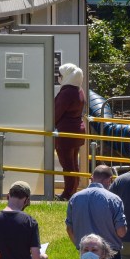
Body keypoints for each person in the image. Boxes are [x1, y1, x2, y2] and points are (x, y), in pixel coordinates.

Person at [65, 165, 128, 259]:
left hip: (86, 254)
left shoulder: (74, 198)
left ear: (91, 178)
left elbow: (69, 229)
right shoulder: (114, 199)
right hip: (110, 255)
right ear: (110, 180)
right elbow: (121, 232)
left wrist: (81, 247)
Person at [54, 63, 88, 200]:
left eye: (61, 75)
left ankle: (67, 195)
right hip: (77, 131)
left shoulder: (66, 92)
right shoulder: (79, 90)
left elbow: (55, 112)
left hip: (66, 133)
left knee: (67, 165)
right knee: (73, 164)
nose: (59, 78)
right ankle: (72, 191)